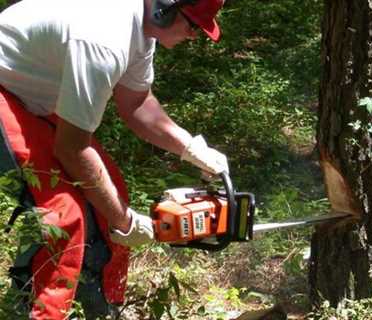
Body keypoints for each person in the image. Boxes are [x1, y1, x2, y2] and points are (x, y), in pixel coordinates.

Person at [0, 0, 228, 318]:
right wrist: (126, 222)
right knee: (64, 214)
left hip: (29, 95)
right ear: (165, 8)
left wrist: (190, 148)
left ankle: (98, 308)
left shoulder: (141, 31)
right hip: (6, 91)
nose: (193, 36)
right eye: (193, 26)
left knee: (111, 193)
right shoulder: (105, 38)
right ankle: (33, 311)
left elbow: (136, 102)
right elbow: (73, 149)